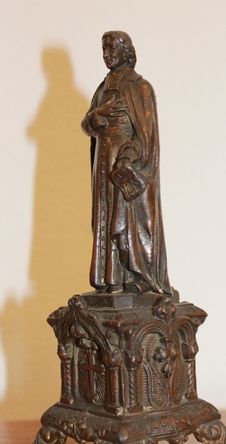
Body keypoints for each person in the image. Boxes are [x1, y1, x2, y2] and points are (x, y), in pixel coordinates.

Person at [81, 31, 172, 295]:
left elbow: (146, 136)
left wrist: (127, 157)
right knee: (104, 217)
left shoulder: (140, 88)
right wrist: (97, 115)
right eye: (104, 49)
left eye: (112, 48)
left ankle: (136, 277)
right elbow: (86, 125)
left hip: (124, 163)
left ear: (126, 51)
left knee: (125, 219)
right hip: (102, 164)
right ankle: (110, 279)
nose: (107, 55)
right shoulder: (102, 88)